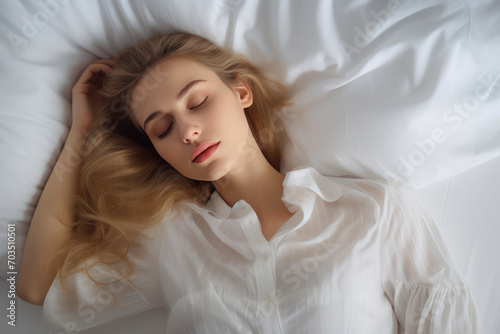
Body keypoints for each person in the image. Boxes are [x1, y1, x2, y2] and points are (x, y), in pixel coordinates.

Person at [17, 32, 480, 333]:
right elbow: (36, 288)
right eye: (161, 129)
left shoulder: (373, 212)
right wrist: (82, 133)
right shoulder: (173, 241)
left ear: (241, 92)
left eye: (196, 102)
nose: (186, 131)